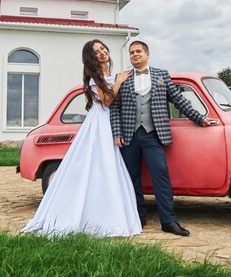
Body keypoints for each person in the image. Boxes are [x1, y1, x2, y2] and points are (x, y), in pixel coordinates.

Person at [21, 39, 142, 237]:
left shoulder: (108, 74)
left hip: (108, 120)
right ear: (91, 58)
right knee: (98, 164)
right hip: (100, 121)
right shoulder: (96, 76)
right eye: (97, 52)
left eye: (103, 49)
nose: (102, 53)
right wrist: (119, 81)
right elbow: (107, 101)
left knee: (106, 166)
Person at [110, 40, 217, 237]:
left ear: (147, 54)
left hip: (153, 135)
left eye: (138, 51)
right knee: (131, 179)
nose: (135, 55)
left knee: (161, 177)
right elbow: (114, 108)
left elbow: (179, 100)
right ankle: (137, 218)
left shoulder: (162, 75)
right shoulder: (122, 78)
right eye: (132, 52)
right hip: (128, 136)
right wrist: (116, 133)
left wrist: (199, 118)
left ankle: (168, 221)